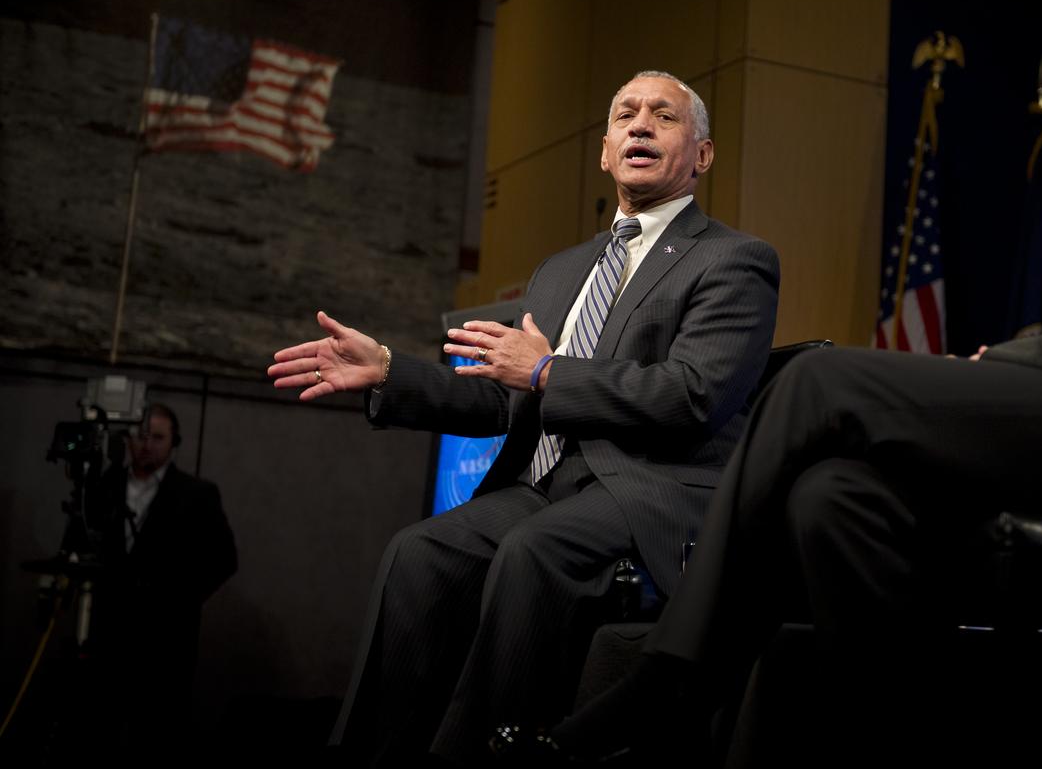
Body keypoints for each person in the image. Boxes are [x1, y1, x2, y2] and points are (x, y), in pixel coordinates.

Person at [548, 0, 1042, 762]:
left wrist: (1003, 366)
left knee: (821, 378)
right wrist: (1014, 358)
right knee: (832, 495)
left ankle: (673, 677)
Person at [268, 70, 780, 765]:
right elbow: (501, 401)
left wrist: (548, 370)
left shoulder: (733, 261)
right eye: (625, 113)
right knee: (418, 555)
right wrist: (392, 369)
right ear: (604, 150)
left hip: (653, 492)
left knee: (533, 551)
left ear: (703, 154)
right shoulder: (561, 271)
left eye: (663, 116)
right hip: (546, 490)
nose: (639, 124)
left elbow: (691, 395)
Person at [91, 402, 239, 750]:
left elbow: (223, 559)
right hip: (107, 628)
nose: (147, 445)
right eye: (141, 436)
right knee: (99, 723)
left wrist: (181, 600)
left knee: (156, 730)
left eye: (157, 437)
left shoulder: (196, 494)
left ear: (175, 441)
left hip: (165, 639)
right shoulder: (105, 485)